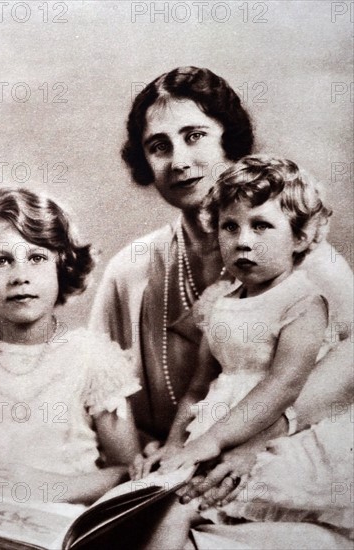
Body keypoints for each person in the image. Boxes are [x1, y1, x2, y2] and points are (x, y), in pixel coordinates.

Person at [89, 67, 353, 547]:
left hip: (286, 473)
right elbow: (99, 392)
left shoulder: (307, 263)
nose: (180, 160)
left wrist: (254, 444)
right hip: (176, 472)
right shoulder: (128, 270)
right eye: (159, 145)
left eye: (195, 137)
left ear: (229, 140)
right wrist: (155, 456)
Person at [132, 156, 353, 549]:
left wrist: (214, 441)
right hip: (215, 425)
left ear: (300, 237)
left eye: (262, 226)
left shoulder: (303, 300)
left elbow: (283, 385)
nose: (243, 241)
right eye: (229, 226)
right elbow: (199, 387)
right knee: (166, 508)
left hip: (271, 434)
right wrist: (175, 443)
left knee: (184, 509)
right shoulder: (218, 301)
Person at [0, 187, 141, 517]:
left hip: (66, 521)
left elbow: (128, 471)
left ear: (62, 267)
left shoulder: (93, 357)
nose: (21, 277)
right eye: (1, 261)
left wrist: (46, 486)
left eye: (37, 258)